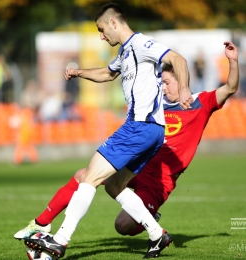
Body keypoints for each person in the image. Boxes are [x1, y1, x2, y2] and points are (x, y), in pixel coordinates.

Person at [16, 41, 238, 258]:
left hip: (160, 180)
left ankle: (149, 221)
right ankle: (42, 222)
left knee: (122, 226)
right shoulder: (155, 105)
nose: (162, 86)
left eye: (167, 82)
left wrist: (233, 62)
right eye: (161, 81)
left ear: (181, 82)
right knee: (84, 175)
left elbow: (230, 87)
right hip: (139, 163)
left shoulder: (201, 103)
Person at [23, 3, 192, 259]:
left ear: (114, 23)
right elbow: (107, 73)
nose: (102, 36)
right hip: (153, 131)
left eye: (102, 29)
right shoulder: (125, 52)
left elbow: (177, 59)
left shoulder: (140, 43)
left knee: (89, 176)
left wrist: (185, 90)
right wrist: (79, 72)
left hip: (139, 127)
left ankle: (59, 240)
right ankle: (157, 234)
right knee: (114, 186)